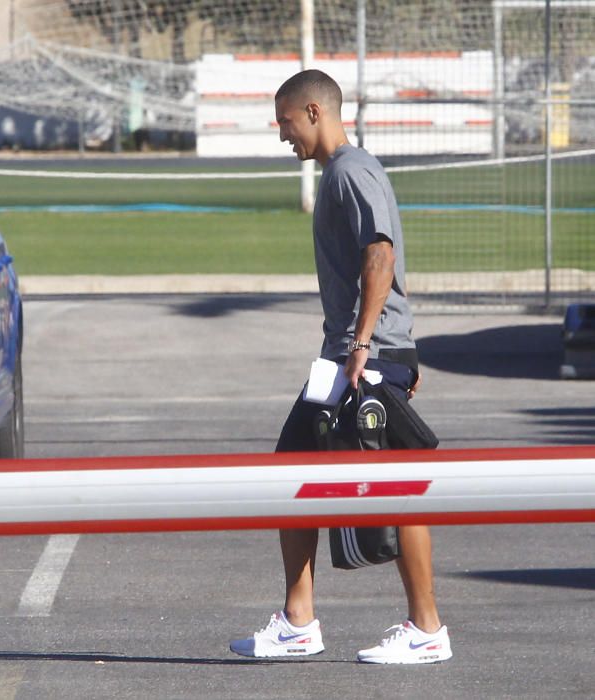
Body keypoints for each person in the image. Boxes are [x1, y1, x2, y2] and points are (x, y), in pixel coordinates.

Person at [229, 69, 452, 664]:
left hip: (359, 359)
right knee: (296, 475)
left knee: (393, 490)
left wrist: (365, 345)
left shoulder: (351, 171)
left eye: (284, 124)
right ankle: (301, 619)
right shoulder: (344, 173)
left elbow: (380, 254)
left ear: (311, 112)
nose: (283, 139)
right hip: (366, 354)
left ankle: (425, 629)